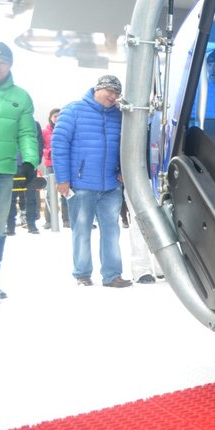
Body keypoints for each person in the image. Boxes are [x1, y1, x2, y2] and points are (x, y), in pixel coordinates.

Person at [53, 75, 132, 287]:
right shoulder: (73, 110)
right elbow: (59, 145)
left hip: (110, 185)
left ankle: (112, 275)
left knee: (112, 231)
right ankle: (82, 274)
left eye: (117, 93)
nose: (113, 96)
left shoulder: (119, 115)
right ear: (98, 89)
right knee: (81, 231)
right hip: (81, 184)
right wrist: (63, 179)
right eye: (110, 91)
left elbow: (126, 145)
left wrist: (122, 169)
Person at [0, 42, 39, 302]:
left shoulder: (21, 97)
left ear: (10, 65)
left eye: (3, 62)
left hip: (3, 171)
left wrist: (30, 161)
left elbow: (26, 133)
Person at [41, 108, 70, 229]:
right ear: (50, 118)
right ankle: (49, 220)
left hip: (64, 164)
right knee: (49, 193)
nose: (57, 118)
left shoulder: (66, 129)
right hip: (50, 165)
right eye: (55, 116)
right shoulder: (44, 131)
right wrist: (49, 152)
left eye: (59, 116)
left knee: (66, 192)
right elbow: (40, 147)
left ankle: (67, 220)